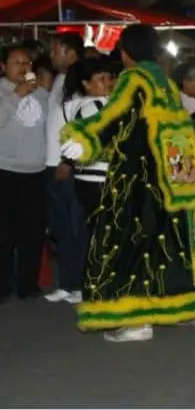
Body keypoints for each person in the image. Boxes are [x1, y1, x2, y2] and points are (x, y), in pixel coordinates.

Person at [59, 24, 195, 342]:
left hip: (139, 177)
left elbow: (115, 117)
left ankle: (133, 321)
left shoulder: (133, 79)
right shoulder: (164, 81)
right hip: (172, 178)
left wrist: (86, 137)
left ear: (125, 52)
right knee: (171, 244)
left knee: (127, 244)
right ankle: (184, 306)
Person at [55, 57, 114, 305]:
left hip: (87, 178)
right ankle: (100, 288)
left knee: (96, 234)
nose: (108, 83)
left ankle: (94, 286)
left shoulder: (77, 106)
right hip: (99, 177)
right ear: (86, 84)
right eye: (101, 79)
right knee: (105, 235)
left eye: (110, 78)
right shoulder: (96, 107)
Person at [0, 46, 50, 302]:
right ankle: (2, 286)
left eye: (26, 62)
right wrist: (15, 96)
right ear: (3, 66)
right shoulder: (3, 91)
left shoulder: (41, 93)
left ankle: (27, 284)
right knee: (4, 233)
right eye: (16, 62)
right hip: (5, 170)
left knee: (32, 231)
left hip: (35, 171)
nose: (23, 67)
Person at [43, 33, 84, 303]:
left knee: (75, 226)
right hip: (50, 163)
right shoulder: (59, 79)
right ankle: (66, 283)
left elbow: (80, 124)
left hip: (66, 166)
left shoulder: (78, 80)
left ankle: (78, 283)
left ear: (68, 51)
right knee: (60, 226)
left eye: (55, 50)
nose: (50, 54)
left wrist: (67, 161)